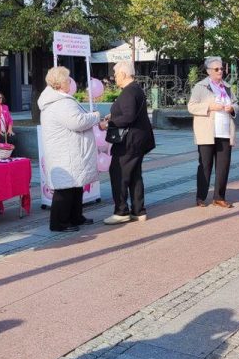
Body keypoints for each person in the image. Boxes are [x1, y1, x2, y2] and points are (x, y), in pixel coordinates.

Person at [38, 66, 100, 232]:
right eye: (67, 79)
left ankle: (75, 217)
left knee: (75, 186)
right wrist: (95, 116)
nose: (70, 82)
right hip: (66, 152)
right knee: (65, 190)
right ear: (59, 83)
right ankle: (59, 223)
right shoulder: (60, 102)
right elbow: (77, 122)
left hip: (68, 151)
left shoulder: (58, 100)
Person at [100, 61, 155, 225]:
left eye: (115, 74)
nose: (114, 77)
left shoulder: (129, 92)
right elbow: (128, 113)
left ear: (123, 74)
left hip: (129, 142)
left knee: (119, 173)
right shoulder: (135, 89)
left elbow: (128, 117)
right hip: (138, 140)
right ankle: (138, 210)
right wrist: (113, 117)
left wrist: (107, 124)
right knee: (134, 175)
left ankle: (121, 211)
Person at [187, 56, 239, 208]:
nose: (220, 71)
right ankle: (201, 196)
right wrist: (209, 107)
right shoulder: (200, 87)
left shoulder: (227, 87)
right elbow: (191, 106)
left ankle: (219, 197)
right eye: (216, 69)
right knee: (205, 165)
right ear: (209, 71)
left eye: (222, 68)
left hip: (224, 131)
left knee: (223, 166)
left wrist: (232, 108)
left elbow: (236, 104)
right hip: (207, 131)